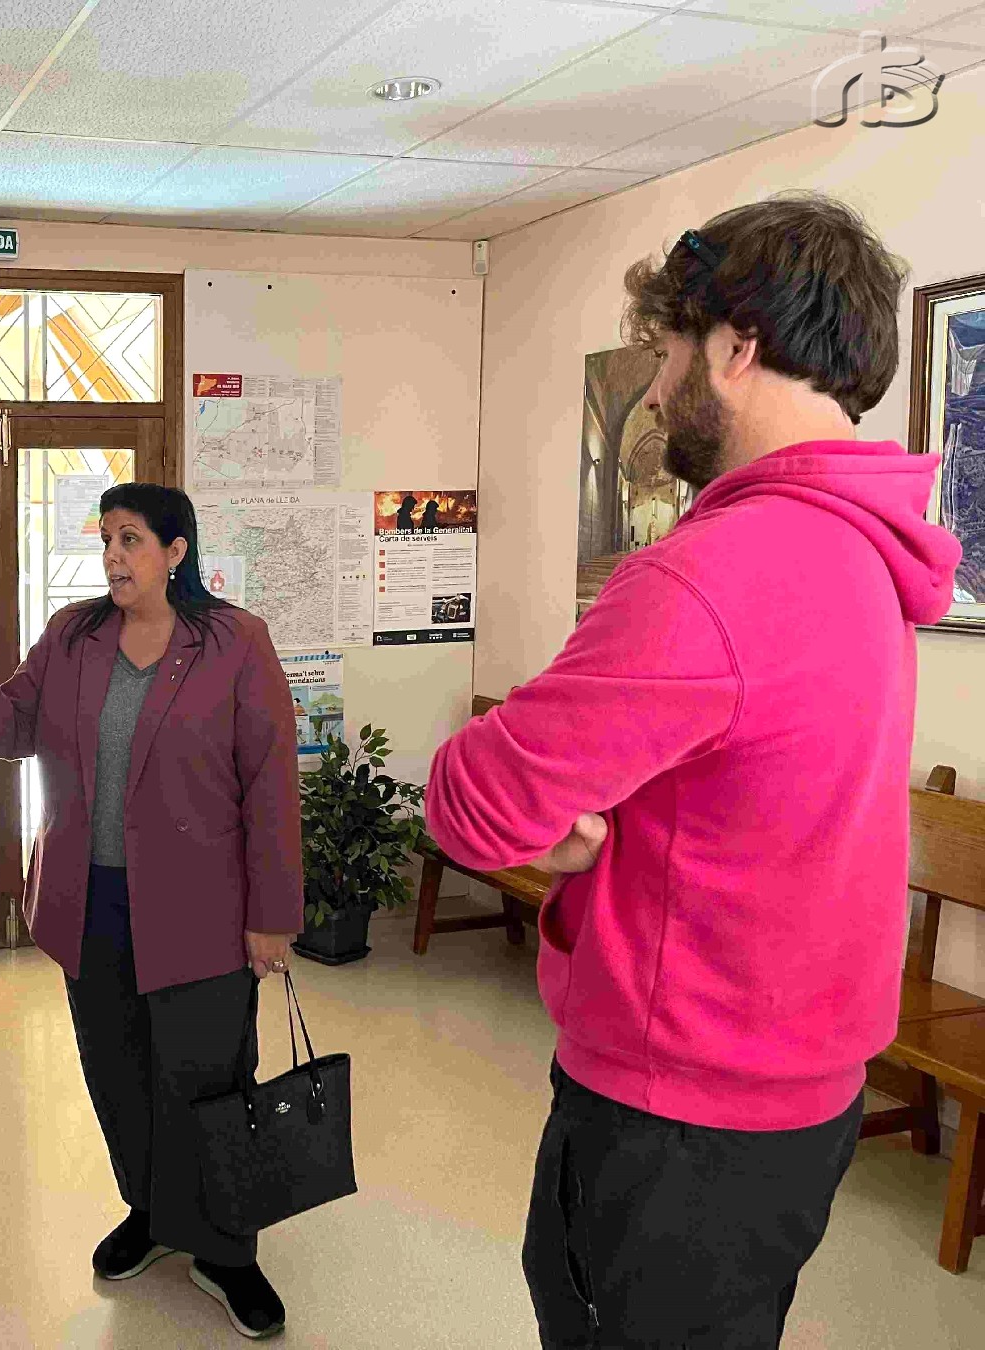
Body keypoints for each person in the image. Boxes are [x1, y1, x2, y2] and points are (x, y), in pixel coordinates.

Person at [424, 193, 961, 1348]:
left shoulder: (707, 575)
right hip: (802, 1096)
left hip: (675, 1112)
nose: (659, 390)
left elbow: (471, 804)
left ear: (737, 345)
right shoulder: (871, 551)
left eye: (667, 353)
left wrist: (563, 827)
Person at [0, 482, 302, 1340]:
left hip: (204, 909)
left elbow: (271, 784)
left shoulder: (235, 642)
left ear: (176, 552)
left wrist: (272, 914)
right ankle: (150, 1211)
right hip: (92, 900)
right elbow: (13, 730)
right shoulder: (74, 635)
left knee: (209, 1078)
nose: (113, 555)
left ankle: (226, 1250)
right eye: (106, 538)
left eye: (131, 538)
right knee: (119, 1071)